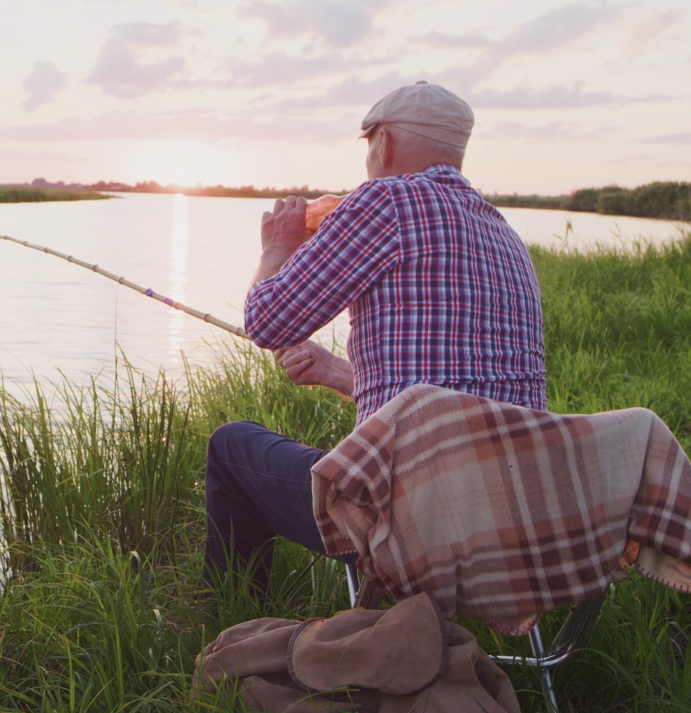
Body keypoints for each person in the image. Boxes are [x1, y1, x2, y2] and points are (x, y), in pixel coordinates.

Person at [203, 82, 547, 599]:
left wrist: (276, 248)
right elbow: (447, 388)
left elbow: (268, 321)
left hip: (410, 523)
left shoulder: (384, 202)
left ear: (382, 142)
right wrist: (335, 372)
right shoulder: (505, 236)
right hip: (507, 524)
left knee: (232, 446)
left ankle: (228, 619)